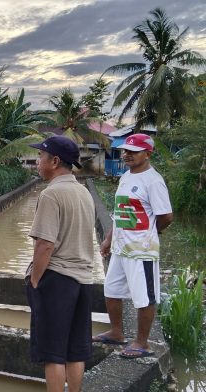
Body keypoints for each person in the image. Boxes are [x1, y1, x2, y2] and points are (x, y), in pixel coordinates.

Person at [92, 133, 173, 359]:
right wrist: (109, 239)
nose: (127, 155)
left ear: (148, 154)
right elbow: (119, 214)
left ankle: (142, 343)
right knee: (111, 290)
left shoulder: (153, 181)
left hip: (141, 252)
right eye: (125, 151)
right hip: (120, 249)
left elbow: (166, 216)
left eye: (133, 151)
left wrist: (148, 234)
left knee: (144, 297)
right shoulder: (126, 176)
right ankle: (117, 332)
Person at [26, 135, 95, 392]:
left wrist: (35, 280)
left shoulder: (51, 194)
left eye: (41, 157)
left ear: (55, 161)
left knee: (53, 352)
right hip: (83, 280)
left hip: (57, 281)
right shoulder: (83, 192)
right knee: (75, 350)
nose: (37, 161)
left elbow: (45, 244)